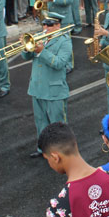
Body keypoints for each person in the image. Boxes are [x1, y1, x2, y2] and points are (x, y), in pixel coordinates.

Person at [24, 12, 72, 158]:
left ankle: (63, 152)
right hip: (37, 88)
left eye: (49, 25)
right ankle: (44, 150)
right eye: (44, 24)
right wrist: (26, 48)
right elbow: (26, 57)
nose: (45, 27)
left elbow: (59, 63)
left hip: (54, 90)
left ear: (58, 25)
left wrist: (42, 51)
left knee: (58, 125)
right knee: (41, 122)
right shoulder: (40, 37)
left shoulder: (64, 41)